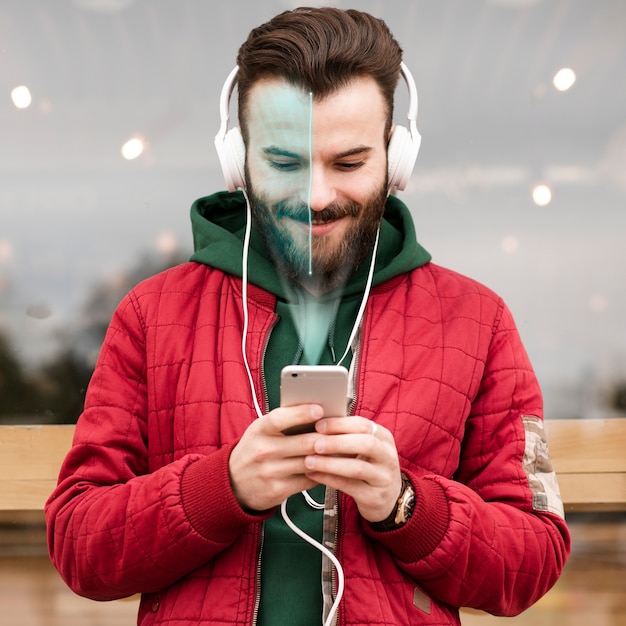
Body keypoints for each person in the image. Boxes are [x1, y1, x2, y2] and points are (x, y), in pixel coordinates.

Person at [45, 7, 571, 626]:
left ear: (395, 158)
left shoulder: (476, 321)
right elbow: (79, 547)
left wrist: (405, 505)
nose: (317, 198)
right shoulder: (152, 314)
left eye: (348, 164)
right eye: (286, 164)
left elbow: (533, 560)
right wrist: (224, 488)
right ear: (238, 161)